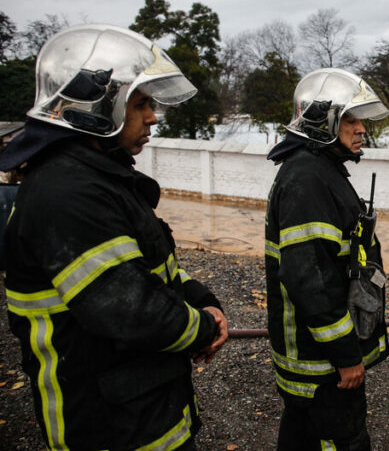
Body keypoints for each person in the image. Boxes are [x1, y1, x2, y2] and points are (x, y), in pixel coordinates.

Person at [1, 24, 228, 451]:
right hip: (104, 424)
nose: (152, 116)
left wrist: (202, 298)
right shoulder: (67, 195)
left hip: (141, 409)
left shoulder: (101, 178)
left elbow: (147, 273)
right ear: (96, 112)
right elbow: (129, 308)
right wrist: (201, 329)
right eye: (140, 104)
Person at [265, 68, 389, 451]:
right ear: (323, 119)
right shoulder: (309, 178)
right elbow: (311, 281)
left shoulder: (321, 169)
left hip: (317, 363)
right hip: (320, 366)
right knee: (339, 440)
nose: (361, 129)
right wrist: (345, 355)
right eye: (351, 119)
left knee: (301, 438)